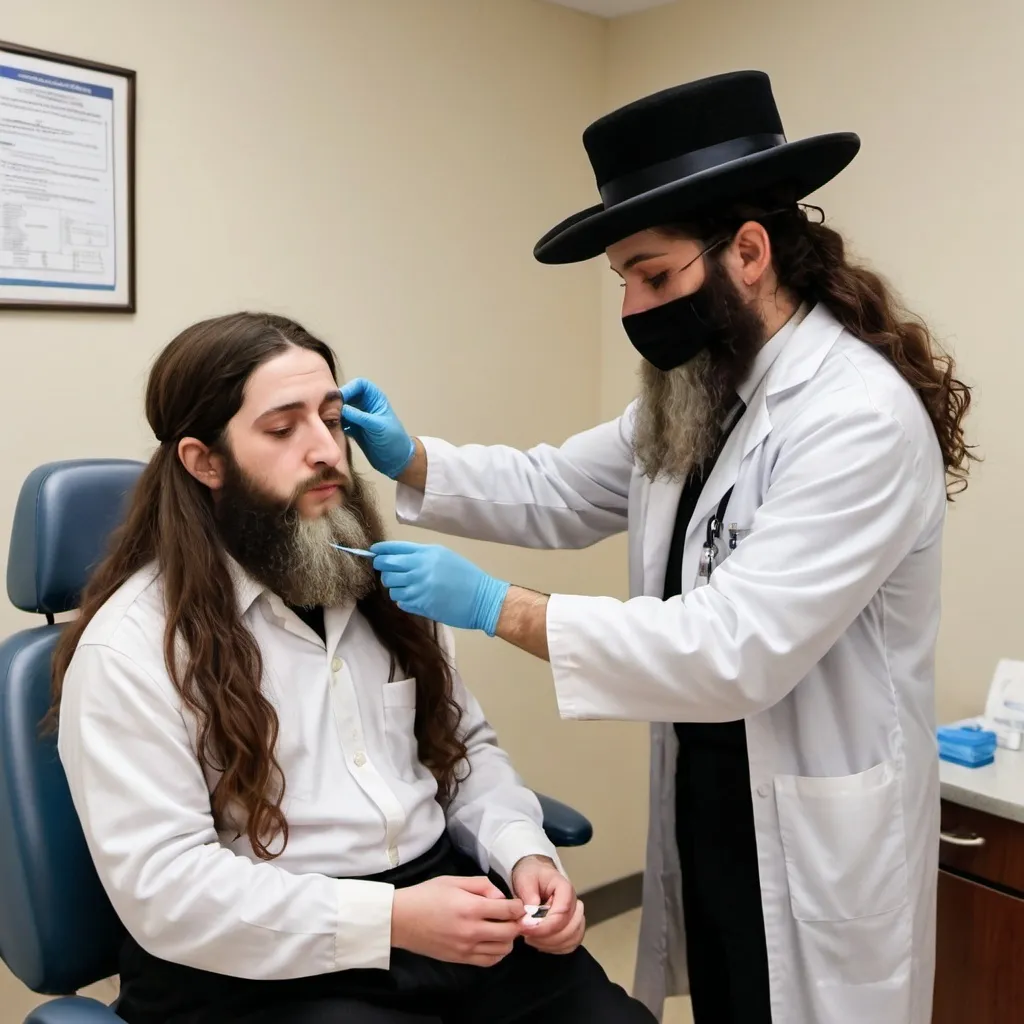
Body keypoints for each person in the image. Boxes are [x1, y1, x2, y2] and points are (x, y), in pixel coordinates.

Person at [339, 71, 976, 1024]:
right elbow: (560, 485)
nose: (637, 308)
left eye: (656, 274)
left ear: (750, 251)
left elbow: (735, 648)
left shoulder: (855, 417)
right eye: (625, 281)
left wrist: (497, 607)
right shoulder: (705, 389)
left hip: (816, 820)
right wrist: (414, 456)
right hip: (716, 794)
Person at [49, 312, 656, 1024]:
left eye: (332, 421)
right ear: (203, 461)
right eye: (282, 429)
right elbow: (166, 890)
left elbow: (463, 759)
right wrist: (390, 920)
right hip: (261, 957)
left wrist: (524, 856)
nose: (326, 452)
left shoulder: (390, 596)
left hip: (441, 911)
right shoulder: (131, 648)